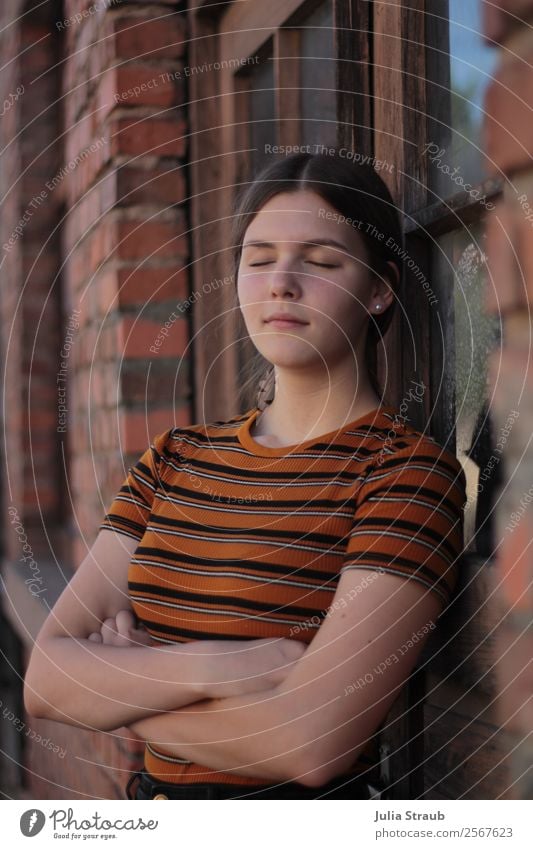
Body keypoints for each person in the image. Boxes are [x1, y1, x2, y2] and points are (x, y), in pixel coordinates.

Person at [24, 151, 466, 800]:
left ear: (378, 289)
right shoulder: (174, 458)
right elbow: (43, 680)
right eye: (258, 258)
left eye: (319, 261)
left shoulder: (403, 474)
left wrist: (120, 681)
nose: (281, 282)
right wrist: (216, 663)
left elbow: (311, 742)